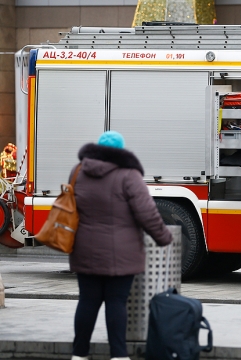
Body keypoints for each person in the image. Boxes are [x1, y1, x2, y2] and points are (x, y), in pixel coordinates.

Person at [70, 131, 173, 360]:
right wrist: (164, 237)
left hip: (85, 248)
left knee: (87, 300)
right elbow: (147, 213)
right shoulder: (129, 174)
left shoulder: (79, 171)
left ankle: (79, 354)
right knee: (116, 302)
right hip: (121, 252)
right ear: (121, 150)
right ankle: (118, 355)